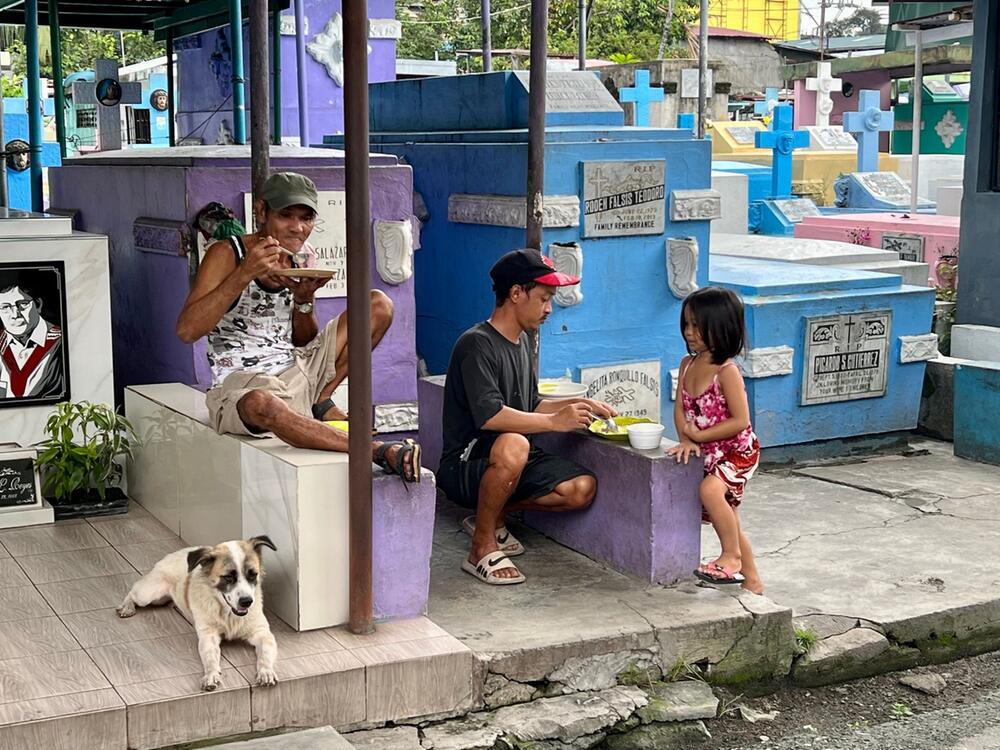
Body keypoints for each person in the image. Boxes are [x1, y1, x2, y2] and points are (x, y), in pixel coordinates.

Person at [176, 171, 420, 482]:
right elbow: (186, 331)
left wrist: (304, 301)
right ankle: (375, 450)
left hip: (298, 370)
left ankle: (320, 400)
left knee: (378, 305)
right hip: (244, 383)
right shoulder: (227, 253)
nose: (297, 227)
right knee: (263, 405)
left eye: (306, 218)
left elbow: (303, 340)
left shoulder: (301, 258)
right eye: (286, 215)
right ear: (261, 212)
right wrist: (244, 274)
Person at [437, 249, 616, 586]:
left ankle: (492, 515)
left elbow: (529, 404)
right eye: (544, 298)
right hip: (466, 463)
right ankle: (481, 547)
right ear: (516, 293)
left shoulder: (522, 342)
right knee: (514, 444)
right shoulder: (475, 344)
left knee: (580, 489)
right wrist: (554, 423)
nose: (549, 309)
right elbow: (490, 417)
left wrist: (577, 405)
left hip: (512, 457)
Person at [666, 286, 762, 594]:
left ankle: (730, 557)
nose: (689, 332)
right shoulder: (687, 364)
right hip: (709, 453)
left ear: (721, 326)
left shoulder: (726, 371)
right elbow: (680, 408)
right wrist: (686, 439)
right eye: (686, 324)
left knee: (710, 490)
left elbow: (740, 421)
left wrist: (700, 435)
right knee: (729, 517)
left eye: (697, 325)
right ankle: (753, 583)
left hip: (738, 451)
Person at [0, 272, 64, 400]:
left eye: (22, 304)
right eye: (5, 307)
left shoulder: (61, 343)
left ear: (38, 305)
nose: (15, 314)